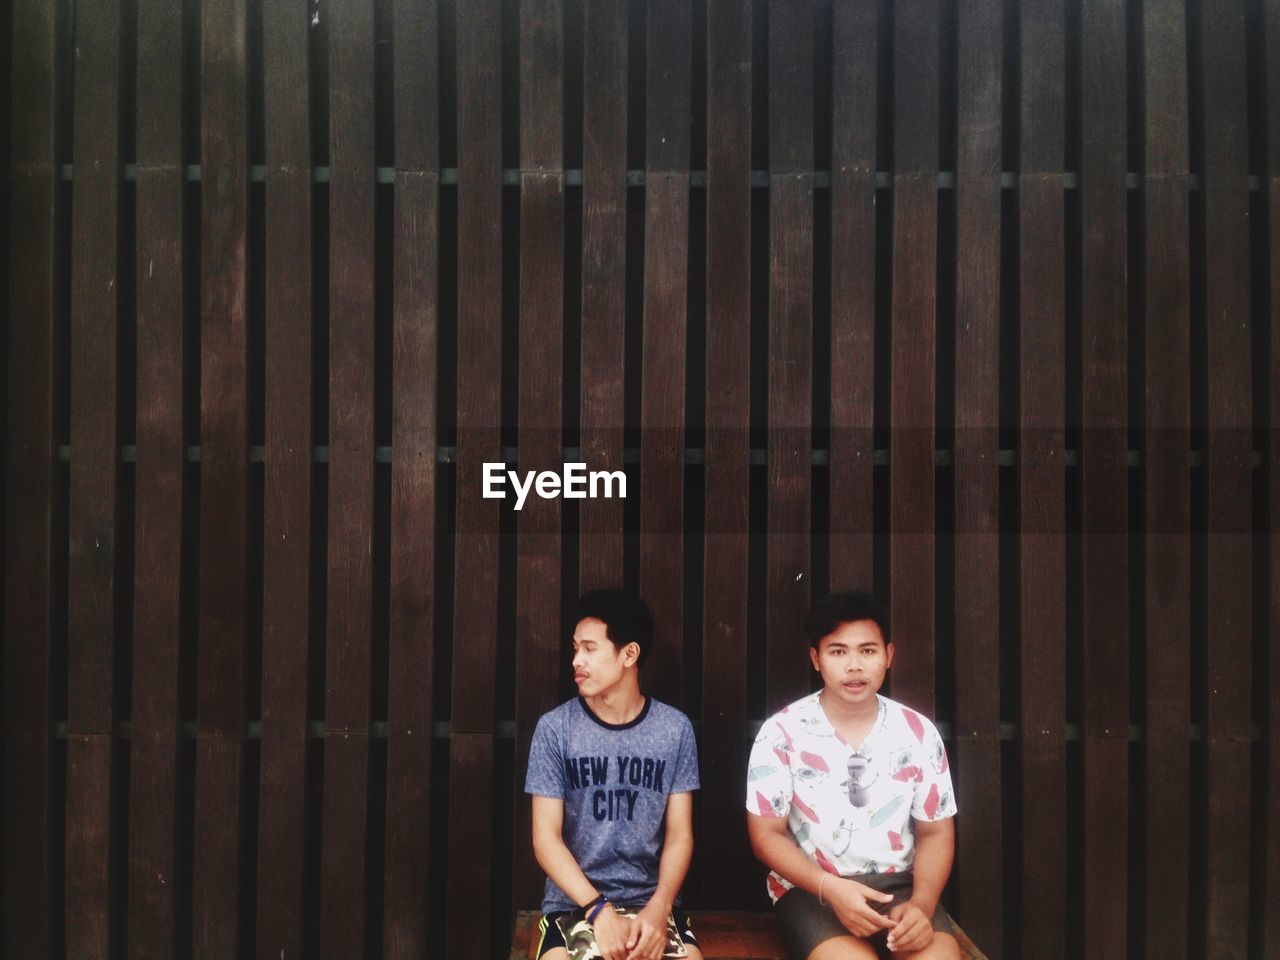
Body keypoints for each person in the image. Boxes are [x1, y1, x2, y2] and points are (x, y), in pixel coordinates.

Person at [745, 592, 961, 960]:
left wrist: (923, 905)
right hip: (814, 890)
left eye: (868, 651)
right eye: (838, 651)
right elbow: (765, 834)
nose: (854, 666)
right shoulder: (781, 732)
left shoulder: (917, 732)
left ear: (889, 655)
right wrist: (830, 888)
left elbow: (936, 830)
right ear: (816, 659)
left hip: (902, 888)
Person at [525, 589, 704, 960]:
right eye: (575, 648)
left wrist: (661, 906)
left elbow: (680, 835)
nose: (577, 660)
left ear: (629, 654)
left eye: (590, 649)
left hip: (651, 903)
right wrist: (597, 910)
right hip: (574, 904)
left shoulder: (674, 729)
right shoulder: (556, 729)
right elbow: (545, 839)